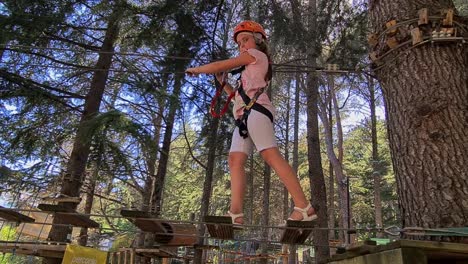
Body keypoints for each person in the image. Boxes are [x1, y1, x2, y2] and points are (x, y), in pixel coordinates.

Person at [186, 21, 317, 225]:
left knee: (270, 155)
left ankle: (304, 206)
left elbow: (223, 65)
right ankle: (235, 215)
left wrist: (199, 69)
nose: (242, 46)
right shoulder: (248, 70)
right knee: (234, 160)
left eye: (245, 39)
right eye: (239, 43)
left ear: (258, 40)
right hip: (244, 117)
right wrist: (224, 84)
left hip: (257, 111)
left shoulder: (257, 56)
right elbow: (237, 96)